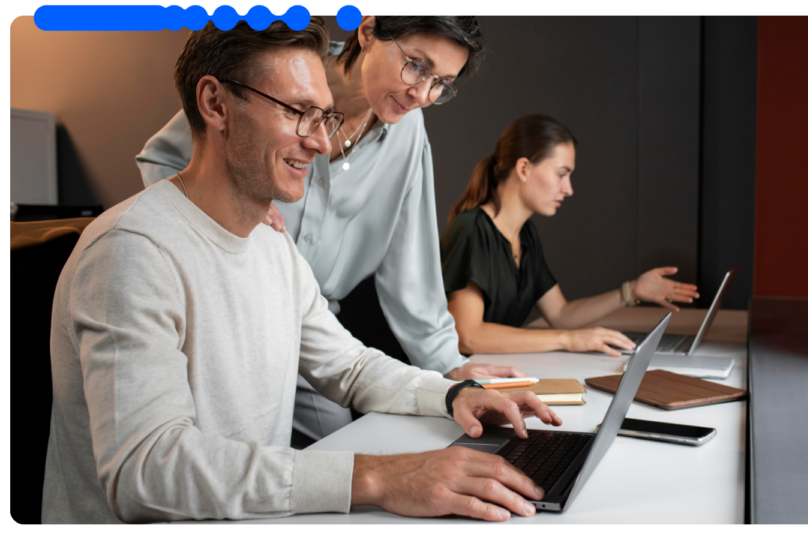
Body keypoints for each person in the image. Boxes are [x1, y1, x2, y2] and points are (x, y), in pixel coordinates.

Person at [42, 18, 561, 524]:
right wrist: (381, 478)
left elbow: (350, 367)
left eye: (325, 117)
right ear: (214, 103)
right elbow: (145, 471)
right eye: (297, 112)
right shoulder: (131, 253)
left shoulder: (273, 248)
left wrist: (454, 394)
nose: (319, 143)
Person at [135, 16, 523, 445]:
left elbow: (409, 261)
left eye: (441, 84)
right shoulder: (280, 71)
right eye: (416, 64)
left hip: (318, 329)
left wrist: (450, 372)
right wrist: (226, 214)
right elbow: (165, 158)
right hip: (231, 307)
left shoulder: (407, 132)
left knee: (341, 447)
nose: (422, 93)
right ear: (368, 31)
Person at [440, 115, 700, 357]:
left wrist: (631, 291)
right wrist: (568, 339)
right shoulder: (471, 230)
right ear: (524, 168)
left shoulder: (525, 234)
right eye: (561, 174)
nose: (569, 189)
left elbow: (561, 314)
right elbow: (468, 336)